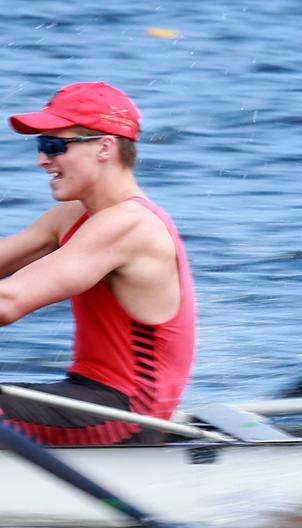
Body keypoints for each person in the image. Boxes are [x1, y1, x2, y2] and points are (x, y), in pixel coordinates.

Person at [0, 82, 196, 444]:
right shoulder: (75, 214)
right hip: (86, 395)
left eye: (54, 146)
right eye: (42, 145)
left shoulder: (130, 225)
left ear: (104, 147)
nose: (42, 160)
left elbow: (9, 302)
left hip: (126, 415)